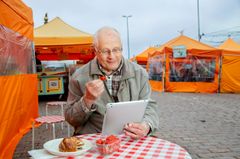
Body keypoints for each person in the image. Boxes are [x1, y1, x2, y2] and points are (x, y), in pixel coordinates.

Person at [65, 27, 159, 139]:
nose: (111, 56)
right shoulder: (79, 77)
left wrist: (146, 125)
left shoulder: (139, 73)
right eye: (105, 51)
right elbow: (71, 119)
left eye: (116, 50)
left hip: (130, 139)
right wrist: (87, 100)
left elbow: (149, 106)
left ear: (121, 48)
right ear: (95, 50)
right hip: (94, 140)